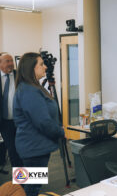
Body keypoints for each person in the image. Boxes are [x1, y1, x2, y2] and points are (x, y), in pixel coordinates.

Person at [13, 52, 65, 196]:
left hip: (30, 146)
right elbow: (42, 122)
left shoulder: (29, 87)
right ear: (31, 68)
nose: (45, 67)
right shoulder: (30, 91)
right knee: (32, 188)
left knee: (24, 184)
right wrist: (61, 131)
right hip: (34, 148)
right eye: (41, 64)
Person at [0, 53, 23, 168]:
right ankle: (21, 182)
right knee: (13, 151)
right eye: (7, 61)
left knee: (24, 150)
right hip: (5, 122)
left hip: (21, 121)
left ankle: (28, 181)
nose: (10, 64)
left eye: (11, 61)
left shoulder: (19, 76)